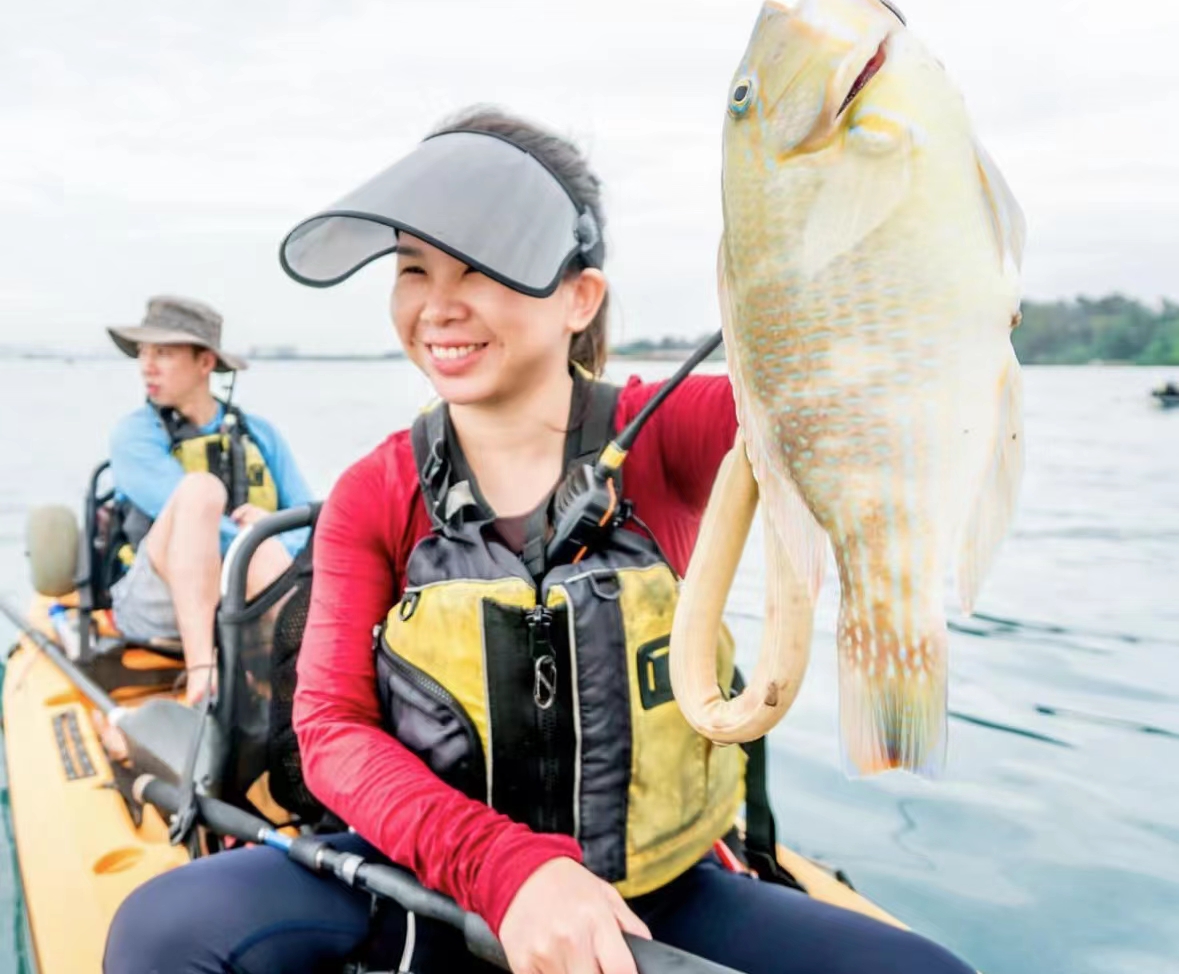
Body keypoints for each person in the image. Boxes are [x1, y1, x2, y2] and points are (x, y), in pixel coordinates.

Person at [103, 108, 975, 974]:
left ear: (578, 297)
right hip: (428, 882)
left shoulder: (666, 431)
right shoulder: (378, 490)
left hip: (654, 893)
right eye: (413, 269)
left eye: (478, 266)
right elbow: (330, 730)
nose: (438, 305)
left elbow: (858, 387)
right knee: (159, 931)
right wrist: (503, 868)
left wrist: (860, 159)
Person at [102, 296, 313, 711]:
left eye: (162, 353)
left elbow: (308, 522)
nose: (147, 366)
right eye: (144, 353)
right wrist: (256, 539)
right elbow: (189, 521)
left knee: (270, 542)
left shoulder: (261, 434)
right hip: (154, 601)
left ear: (204, 363)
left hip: (247, 592)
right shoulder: (133, 436)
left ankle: (315, 686)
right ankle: (203, 675)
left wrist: (270, 531)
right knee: (201, 492)